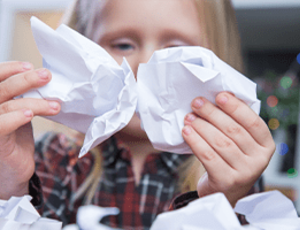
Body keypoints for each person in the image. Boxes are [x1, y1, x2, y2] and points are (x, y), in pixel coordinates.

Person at [0, 0, 275, 229]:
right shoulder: (50, 160)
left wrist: (222, 199)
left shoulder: (230, 169)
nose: (144, 66)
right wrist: (10, 190)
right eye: (123, 45)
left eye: (174, 50)